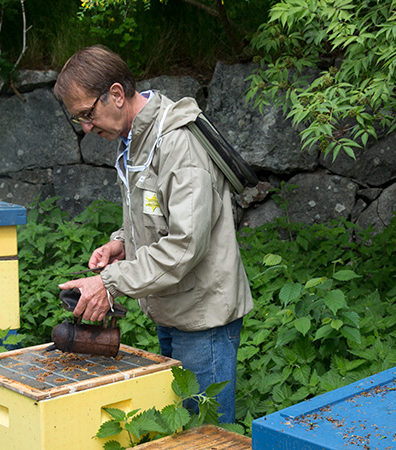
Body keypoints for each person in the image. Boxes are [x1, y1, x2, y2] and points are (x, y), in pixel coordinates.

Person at [54, 45, 254, 424]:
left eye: (86, 114)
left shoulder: (178, 143)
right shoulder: (136, 141)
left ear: (115, 94)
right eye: (78, 118)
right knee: (181, 428)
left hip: (203, 319)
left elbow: (185, 244)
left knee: (206, 434)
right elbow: (156, 211)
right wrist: (122, 242)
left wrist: (108, 284)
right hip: (171, 308)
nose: (85, 127)